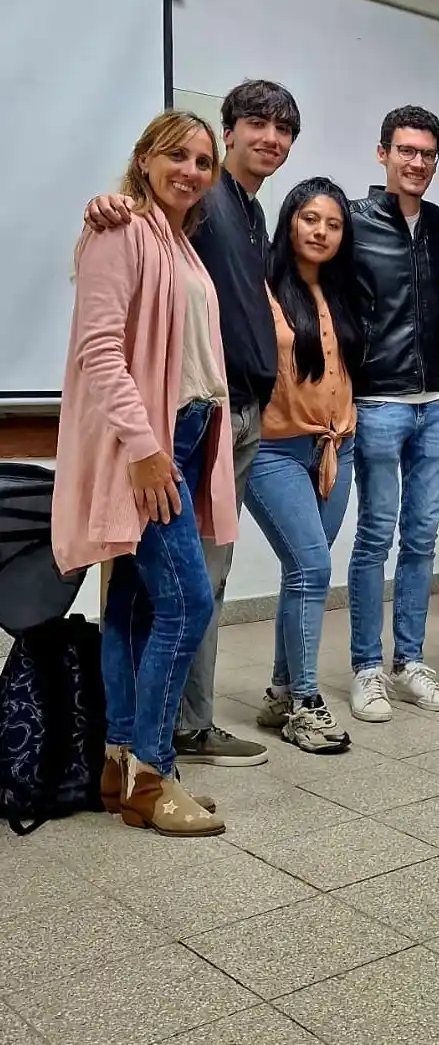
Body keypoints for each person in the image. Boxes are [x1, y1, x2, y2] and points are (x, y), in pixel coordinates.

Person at [83, 79, 302, 769]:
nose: (271, 138)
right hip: (165, 431)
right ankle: (161, 752)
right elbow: (101, 347)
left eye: (284, 129)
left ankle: (136, 750)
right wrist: (109, 203)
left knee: (171, 592)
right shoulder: (145, 220)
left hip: (217, 418)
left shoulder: (221, 218)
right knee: (185, 597)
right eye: (256, 125)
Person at [53, 110, 237, 836]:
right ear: (143, 157)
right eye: (177, 156)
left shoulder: (178, 243)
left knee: (133, 607)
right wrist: (144, 448)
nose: (191, 171)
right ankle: (154, 777)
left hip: (182, 438)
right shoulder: (120, 228)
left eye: (202, 161)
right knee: (188, 603)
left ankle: (119, 763)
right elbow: (100, 353)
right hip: (153, 448)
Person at [346, 106, 439, 723]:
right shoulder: (355, 222)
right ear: (383, 153)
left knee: (421, 539)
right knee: (374, 536)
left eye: (428, 154)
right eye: (406, 150)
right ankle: (367, 668)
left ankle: (409, 660)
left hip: (435, 406)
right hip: (378, 403)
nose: (417, 163)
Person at [246, 178, 362, 755]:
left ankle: (280, 691)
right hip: (273, 451)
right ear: (290, 220)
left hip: (333, 450)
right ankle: (306, 704)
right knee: (313, 567)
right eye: (311, 219)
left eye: (333, 224)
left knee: (303, 574)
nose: (321, 231)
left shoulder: (340, 292)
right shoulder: (261, 287)